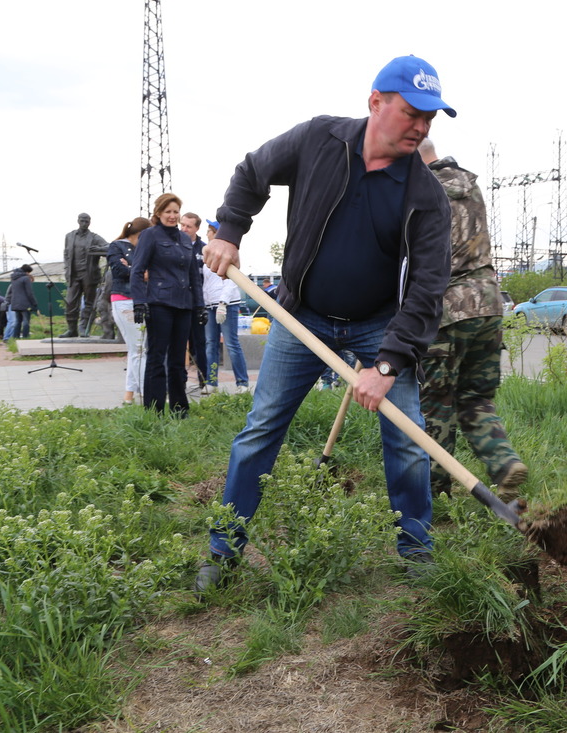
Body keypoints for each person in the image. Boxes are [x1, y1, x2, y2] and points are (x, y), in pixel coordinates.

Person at [195, 54, 456, 593]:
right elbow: (253, 170)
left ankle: (416, 550)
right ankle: (224, 549)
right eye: (412, 113)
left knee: (407, 439)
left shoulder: (426, 195)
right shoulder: (320, 140)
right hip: (301, 317)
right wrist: (230, 231)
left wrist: (386, 363)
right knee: (260, 430)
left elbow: (429, 288)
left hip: (379, 325)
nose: (422, 127)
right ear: (375, 103)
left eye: (430, 118)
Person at [417, 139, 527, 501]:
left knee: (437, 402)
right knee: (477, 398)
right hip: (490, 302)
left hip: (448, 309)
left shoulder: (420, 187)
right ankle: (504, 462)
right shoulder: (470, 184)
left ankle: (437, 491)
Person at [131, 194, 206, 415]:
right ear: (158, 213)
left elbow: (194, 275)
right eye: (168, 212)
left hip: (184, 305)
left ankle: (179, 408)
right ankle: (154, 411)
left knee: (177, 361)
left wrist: (199, 305)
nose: (172, 216)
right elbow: (137, 271)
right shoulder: (149, 236)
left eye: (176, 212)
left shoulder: (185, 240)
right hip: (159, 303)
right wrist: (139, 302)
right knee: (157, 358)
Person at [201, 220, 250, 394]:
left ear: (216, 232)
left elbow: (231, 280)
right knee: (210, 343)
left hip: (226, 304)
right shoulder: (206, 253)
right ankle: (212, 381)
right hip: (210, 304)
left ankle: (242, 382)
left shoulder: (227, 252)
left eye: (209, 230)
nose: (206, 234)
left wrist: (223, 302)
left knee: (231, 343)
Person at [108, 217, 152, 405]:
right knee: (139, 349)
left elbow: (149, 271)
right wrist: (140, 272)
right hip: (124, 301)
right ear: (141, 234)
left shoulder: (143, 249)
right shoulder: (117, 246)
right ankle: (146, 394)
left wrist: (133, 269)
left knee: (138, 349)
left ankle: (130, 394)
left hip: (141, 300)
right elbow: (119, 270)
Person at [60, 213, 110, 338]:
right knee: (70, 302)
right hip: (74, 274)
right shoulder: (70, 236)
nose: (84, 223)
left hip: (89, 275)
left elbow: (110, 247)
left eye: (86, 221)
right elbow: (66, 254)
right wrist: (67, 270)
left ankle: (83, 328)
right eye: (82, 221)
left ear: (90, 222)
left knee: (89, 303)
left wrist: (97, 249)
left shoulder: (94, 237)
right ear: (78, 221)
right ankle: (72, 329)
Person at [179, 212, 210, 394]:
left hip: (197, 304)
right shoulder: (174, 246)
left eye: (188, 226)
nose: (184, 229)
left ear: (196, 228)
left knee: (199, 344)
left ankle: (204, 382)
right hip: (178, 304)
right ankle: (179, 383)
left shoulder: (204, 249)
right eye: (182, 225)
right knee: (177, 345)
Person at [4, 264, 39, 340]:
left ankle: (15, 338)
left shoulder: (14, 278)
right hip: (25, 304)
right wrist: (34, 303)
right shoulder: (26, 278)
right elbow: (29, 293)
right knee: (26, 322)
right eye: (29, 272)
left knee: (17, 321)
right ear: (27, 272)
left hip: (15, 303)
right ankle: (25, 338)